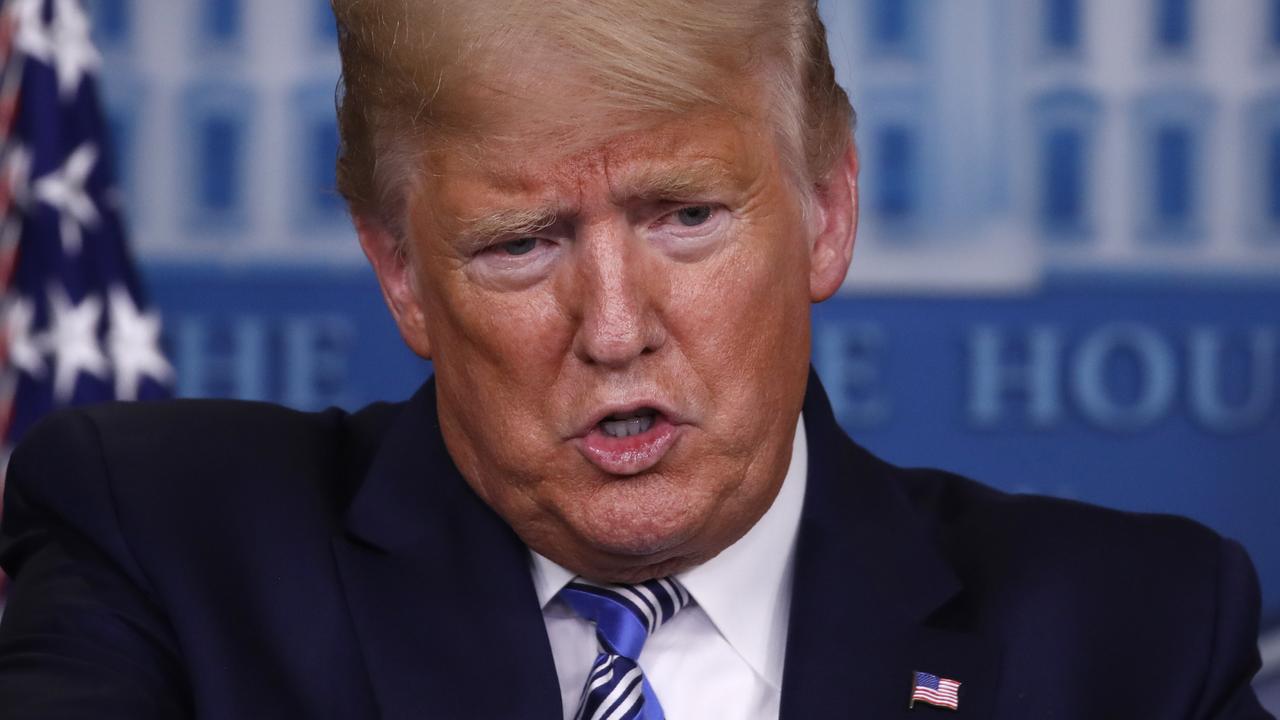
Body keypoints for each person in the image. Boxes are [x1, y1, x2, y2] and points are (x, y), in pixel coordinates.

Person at [0, 0, 1271, 717]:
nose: (612, 327)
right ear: (400, 272)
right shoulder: (171, 550)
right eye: (518, 243)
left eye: (685, 218)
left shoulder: (1132, 641)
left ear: (827, 211)